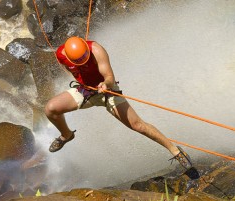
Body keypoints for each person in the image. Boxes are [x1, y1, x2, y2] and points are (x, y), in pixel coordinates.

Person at [44, 36, 197, 175]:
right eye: (79, 59)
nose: (84, 59)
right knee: (50, 109)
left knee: (138, 125)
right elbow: (72, 71)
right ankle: (67, 135)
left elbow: (109, 77)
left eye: (85, 57)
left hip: (107, 91)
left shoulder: (96, 50)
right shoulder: (61, 54)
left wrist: (105, 84)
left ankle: (176, 151)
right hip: (86, 91)